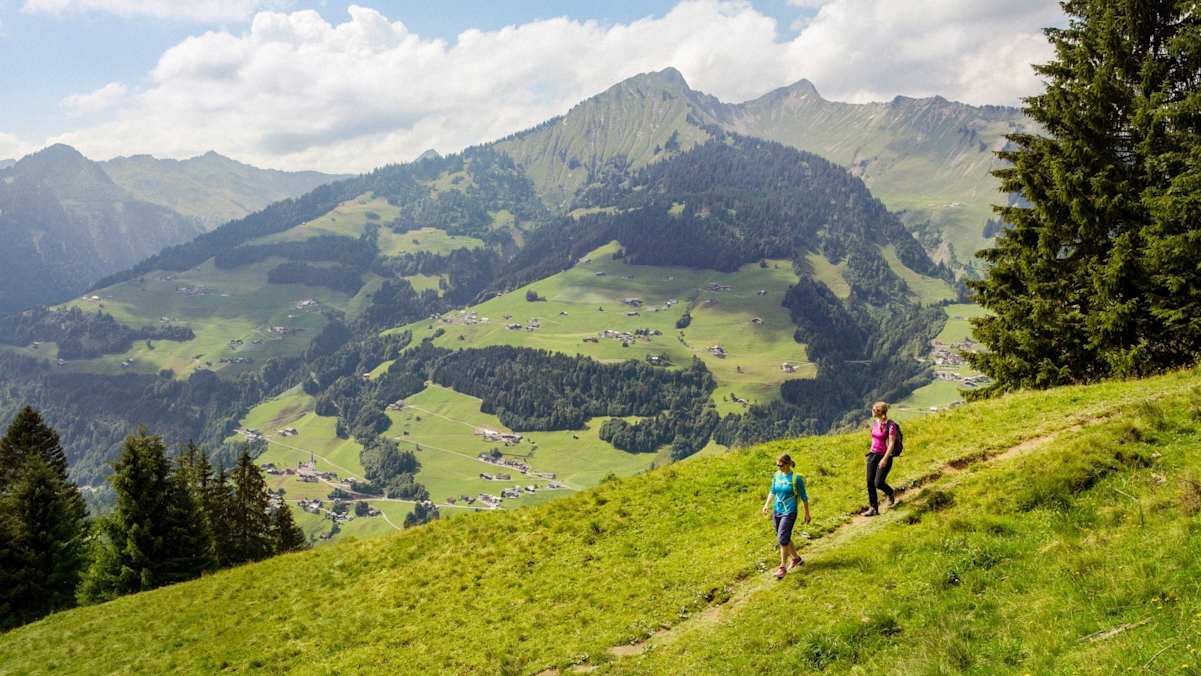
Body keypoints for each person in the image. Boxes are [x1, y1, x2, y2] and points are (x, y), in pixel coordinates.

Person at [761, 453, 811, 579]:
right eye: (777, 465)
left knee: (782, 538)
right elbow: (773, 491)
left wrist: (807, 513)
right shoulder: (776, 475)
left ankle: (782, 567)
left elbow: (804, 497)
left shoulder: (795, 479)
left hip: (790, 511)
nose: (778, 467)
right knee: (783, 536)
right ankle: (796, 559)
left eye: (781, 465)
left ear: (788, 464)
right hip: (777, 510)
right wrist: (766, 504)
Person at [864, 401, 897, 516]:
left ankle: (891, 493)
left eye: (873, 410)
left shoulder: (890, 425)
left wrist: (885, 459)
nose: (872, 412)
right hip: (873, 455)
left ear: (879, 411)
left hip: (884, 456)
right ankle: (873, 508)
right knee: (869, 482)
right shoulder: (875, 423)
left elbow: (892, 444)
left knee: (878, 483)